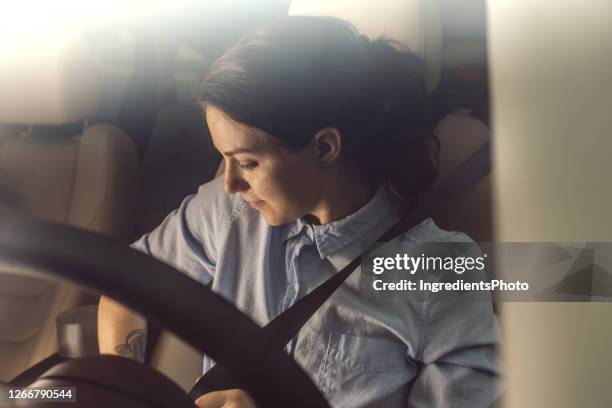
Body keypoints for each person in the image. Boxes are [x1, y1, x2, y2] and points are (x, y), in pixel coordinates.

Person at [98, 16, 501, 408]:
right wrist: (124, 392)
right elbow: (125, 285)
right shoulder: (226, 212)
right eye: (225, 160)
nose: (231, 183)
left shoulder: (437, 271)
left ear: (325, 147)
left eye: (248, 162)